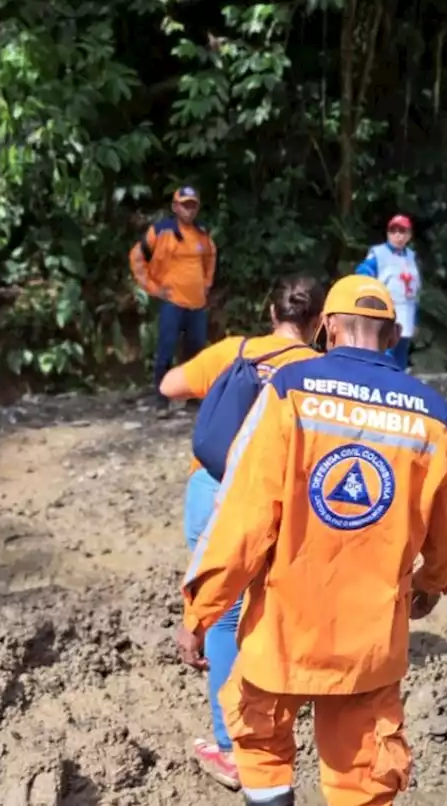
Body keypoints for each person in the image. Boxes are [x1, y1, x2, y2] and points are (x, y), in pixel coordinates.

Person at [175, 275, 447, 806]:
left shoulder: (288, 392)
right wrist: (429, 585)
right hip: (367, 646)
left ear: (328, 328)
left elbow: (240, 521)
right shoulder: (432, 415)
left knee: (265, 755)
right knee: (363, 778)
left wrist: (200, 612)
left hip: (281, 635)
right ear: (393, 336)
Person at [158, 276, 327, 791]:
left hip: (211, 495)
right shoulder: (323, 373)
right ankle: (287, 734)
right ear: (321, 322)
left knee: (226, 619)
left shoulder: (238, 351)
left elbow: (169, 386)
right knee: (281, 611)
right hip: (286, 506)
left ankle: (231, 748)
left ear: (269, 310)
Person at [129, 186, 218, 411]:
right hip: (172, 302)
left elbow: (210, 258)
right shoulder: (161, 231)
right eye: (184, 204)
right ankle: (161, 398)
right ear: (175, 207)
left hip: (197, 304)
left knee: (196, 351)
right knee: (166, 349)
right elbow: (137, 257)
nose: (189, 209)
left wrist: (206, 284)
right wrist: (152, 288)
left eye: (193, 205)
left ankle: (193, 397)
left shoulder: (202, 232)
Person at [354, 214, 421, 369]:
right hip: (387, 309)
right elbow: (363, 272)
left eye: (402, 231)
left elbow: (416, 291)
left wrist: (416, 319)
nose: (398, 235)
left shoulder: (411, 256)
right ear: (388, 233)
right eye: (393, 231)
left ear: (409, 235)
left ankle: (399, 384)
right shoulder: (378, 253)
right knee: (386, 349)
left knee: (401, 352)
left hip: (407, 311)